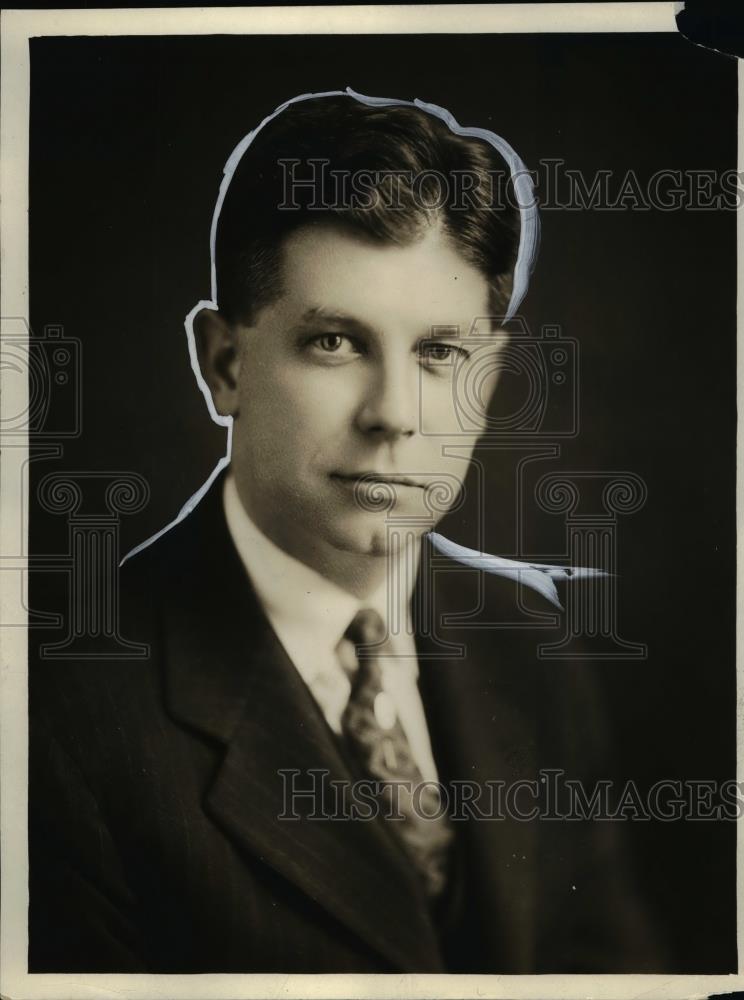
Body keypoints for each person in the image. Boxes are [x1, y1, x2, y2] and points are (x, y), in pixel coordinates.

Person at [28, 91, 661, 973]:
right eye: (333, 342)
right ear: (224, 364)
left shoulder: (534, 645)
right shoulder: (56, 719)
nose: (393, 415)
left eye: (440, 353)